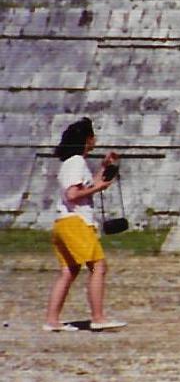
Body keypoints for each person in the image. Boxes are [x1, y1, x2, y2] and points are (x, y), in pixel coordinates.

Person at [43, 117, 127, 332]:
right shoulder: (76, 162)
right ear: (87, 139)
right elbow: (73, 194)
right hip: (76, 222)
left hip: (64, 222)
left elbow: (85, 186)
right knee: (98, 267)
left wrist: (103, 168)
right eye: (93, 136)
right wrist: (98, 188)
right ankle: (98, 317)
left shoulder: (71, 163)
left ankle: (52, 320)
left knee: (69, 271)